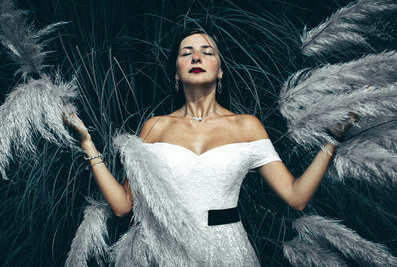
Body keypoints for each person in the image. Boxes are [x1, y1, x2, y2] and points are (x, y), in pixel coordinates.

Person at [66, 28, 355, 266]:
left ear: (220, 71)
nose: (196, 56)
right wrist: (87, 143)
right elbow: (122, 205)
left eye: (207, 52)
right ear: (177, 74)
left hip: (229, 250)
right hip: (167, 253)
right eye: (186, 52)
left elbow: (296, 196)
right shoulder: (156, 127)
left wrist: (333, 139)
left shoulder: (247, 126)